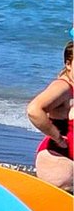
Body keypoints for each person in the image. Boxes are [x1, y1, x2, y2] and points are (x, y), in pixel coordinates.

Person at [26, 41, 73, 192]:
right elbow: (34, 110)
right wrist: (57, 137)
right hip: (57, 156)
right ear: (68, 64)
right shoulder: (63, 87)